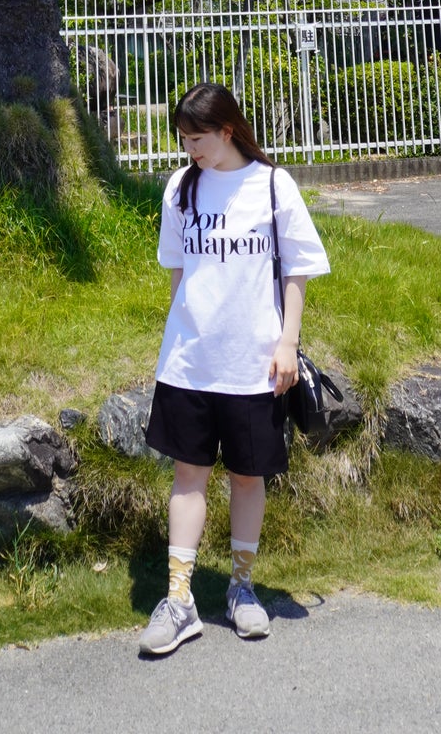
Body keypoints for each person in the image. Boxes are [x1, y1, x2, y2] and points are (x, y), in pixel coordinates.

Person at [137, 82, 330, 658]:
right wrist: (180, 336)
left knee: (248, 477)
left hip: (255, 364)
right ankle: (179, 600)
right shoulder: (180, 187)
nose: (188, 149)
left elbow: (297, 269)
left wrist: (288, 342)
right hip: (190, 363)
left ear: (227, 130)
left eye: (197, 138)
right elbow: (178, 274)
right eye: (182, 139)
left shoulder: (272, 185)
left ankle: (241, 589)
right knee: (187, 476)